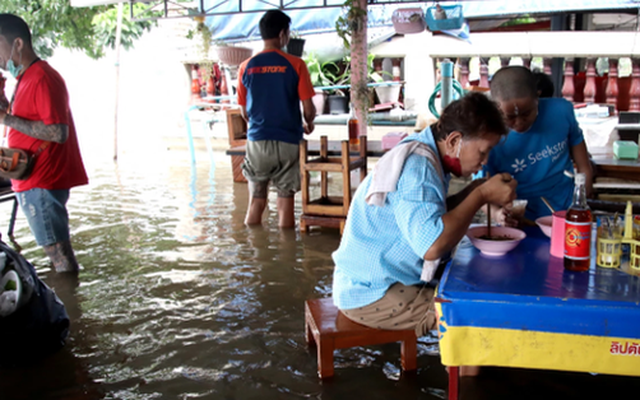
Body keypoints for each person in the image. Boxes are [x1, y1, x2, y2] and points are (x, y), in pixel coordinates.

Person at [332, 92, 517, 340]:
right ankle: (466, 380)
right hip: (370, 292)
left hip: (368, 280)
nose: (484, 162)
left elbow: (433, 214)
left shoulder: (428, 152)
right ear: (454, 140)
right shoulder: (418, 169)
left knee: (474, 284)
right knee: (470, 315)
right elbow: (431, 246)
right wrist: (481, 194)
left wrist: (475, 190)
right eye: (483, 152)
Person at [0, 14, 88, 273]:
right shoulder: (26, 78)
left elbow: (58, 132)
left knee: (60, 257)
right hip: (31, 177)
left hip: (42, 179)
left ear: (17, 44)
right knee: (56, 252)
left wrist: (6, 118)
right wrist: (6, 107)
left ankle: (67, 307)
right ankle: (67, 301)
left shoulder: (42, 77)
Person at [237, 10, 316, 228]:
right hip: (288, 142)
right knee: (285, 203)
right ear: (283, 34)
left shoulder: (245, 67)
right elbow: (308, 109)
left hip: (258, 143)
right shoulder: (296, 64)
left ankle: (254, 252)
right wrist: (308, 123)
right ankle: (286, 257)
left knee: (256, 202)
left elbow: (244, 113)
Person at [485, 66, 593, 224]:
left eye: (526, 113)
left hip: (566, 212)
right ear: (496, 109)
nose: (519, 122)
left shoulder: (562, 111)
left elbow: (584, 167)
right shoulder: (489, 137)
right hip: (519, 219)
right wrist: (497, 214)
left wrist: (581, 200)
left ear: (537, 97)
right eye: (510, 117)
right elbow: (480, 191)